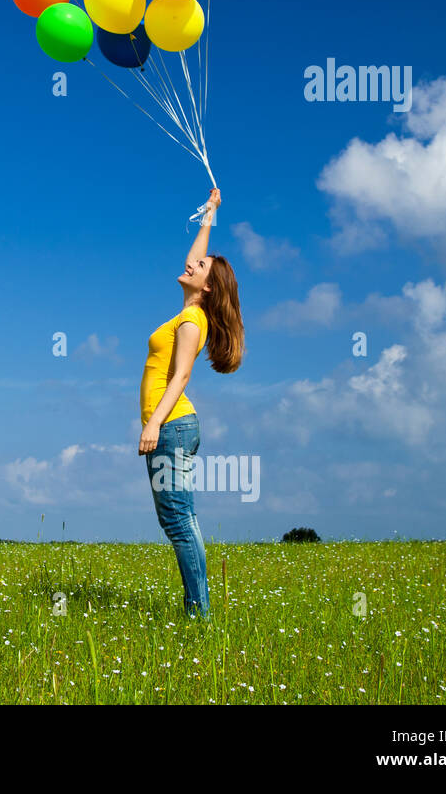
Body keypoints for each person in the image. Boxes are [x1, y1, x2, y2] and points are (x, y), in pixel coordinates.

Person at [138, 187, 244, 616]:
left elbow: (181, 376)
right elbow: (196, 257)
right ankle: (198, 610)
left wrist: (152, 424)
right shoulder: (189, 310)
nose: (191, 264)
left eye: (200, 267)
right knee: (180, 520)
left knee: (179, 521)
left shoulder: (191, 320)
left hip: (172, 427)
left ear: (206, 286)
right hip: (175, 427)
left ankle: (198, 613)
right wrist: (210, 214)